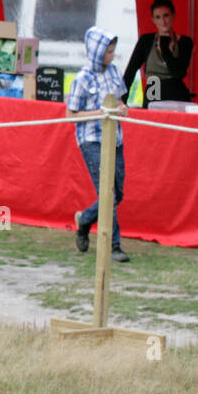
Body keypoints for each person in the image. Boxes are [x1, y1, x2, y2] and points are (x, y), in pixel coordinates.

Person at [69, 27, 131, 263]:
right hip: (92, 140)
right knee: (107, 192)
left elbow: (121, 100)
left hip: (115, 138)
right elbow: (71, 114)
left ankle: (84, 219)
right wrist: (100, 113)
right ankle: (113, 246)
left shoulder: (114, 72)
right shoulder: (82, 78)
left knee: (118, 192)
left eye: (113, 51)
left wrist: (123, 108)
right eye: (108, 51)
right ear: (96, 52)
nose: (112, 55)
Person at [123, 0, 193, 106]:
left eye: (166, 15)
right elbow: (130, 71)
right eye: (158, 17)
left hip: (176, 95)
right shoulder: (146, 40)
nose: (163, 21)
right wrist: (122, 100)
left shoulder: (185, 42)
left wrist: (165, 49)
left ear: (173, 15)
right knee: (152, 121)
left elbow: (178, 73)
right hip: (153, 89)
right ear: (153, 20)